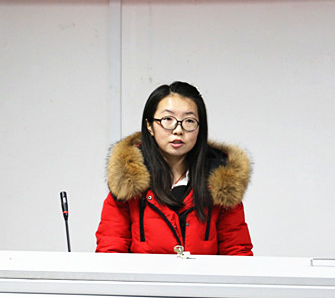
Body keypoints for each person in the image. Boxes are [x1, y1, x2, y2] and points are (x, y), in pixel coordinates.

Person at [96, 81, 253, 255]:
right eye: (167, 119)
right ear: (149, 126)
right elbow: (110, 253)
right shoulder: (127, 183)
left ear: (200, 128)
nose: (178, 130)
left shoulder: (221, 182)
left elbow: (237, 253)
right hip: (143, 275)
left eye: (189, 121)